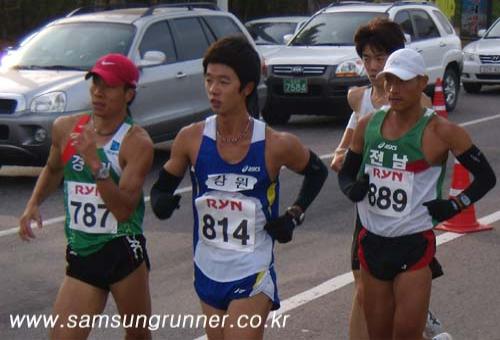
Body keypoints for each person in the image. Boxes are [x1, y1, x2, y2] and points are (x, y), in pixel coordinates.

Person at [150, 36, 328, 340]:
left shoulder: (274, 143)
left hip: (252, 268)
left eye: (223, 81)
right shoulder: (190, 139)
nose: (213, 89)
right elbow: (161, 188)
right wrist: (161, 201)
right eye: (208, 80)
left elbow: (317, 171)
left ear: (246, 88)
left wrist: (294, 214)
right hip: (208, 267)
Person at [338, 48, 496, 339]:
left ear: (422, 82)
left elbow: (486, 177)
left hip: (413, 244)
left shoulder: (442, 131)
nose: (392, 89)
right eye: (388, 81)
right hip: (372, 242)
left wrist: (455, 205)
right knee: (379, 334)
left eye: (402, 81)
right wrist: (351, 187)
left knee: (407, 333)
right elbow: (346, 172)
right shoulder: (367, 125)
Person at [19, 53, 154, 340]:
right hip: (82, 252)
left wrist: (95, 163)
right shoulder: (67, 129)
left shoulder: (136, 143)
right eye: (95, 83)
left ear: (129, 94)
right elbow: (53, 169)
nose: (97, 92)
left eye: (108, 86)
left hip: (121, 250)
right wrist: (33, 204)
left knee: (138, 336)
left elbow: (123, 210)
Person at [330, 18, 445, 340]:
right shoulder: (360, 99)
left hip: (407, 220)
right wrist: (346, 166)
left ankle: (421, 321)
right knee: (362, 288)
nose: (372, 66)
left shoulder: (419, 106)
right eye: (366, 58)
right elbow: (344, 150)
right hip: (368, 214)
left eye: (379, 57)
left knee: (390, 297)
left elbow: (432, 157)